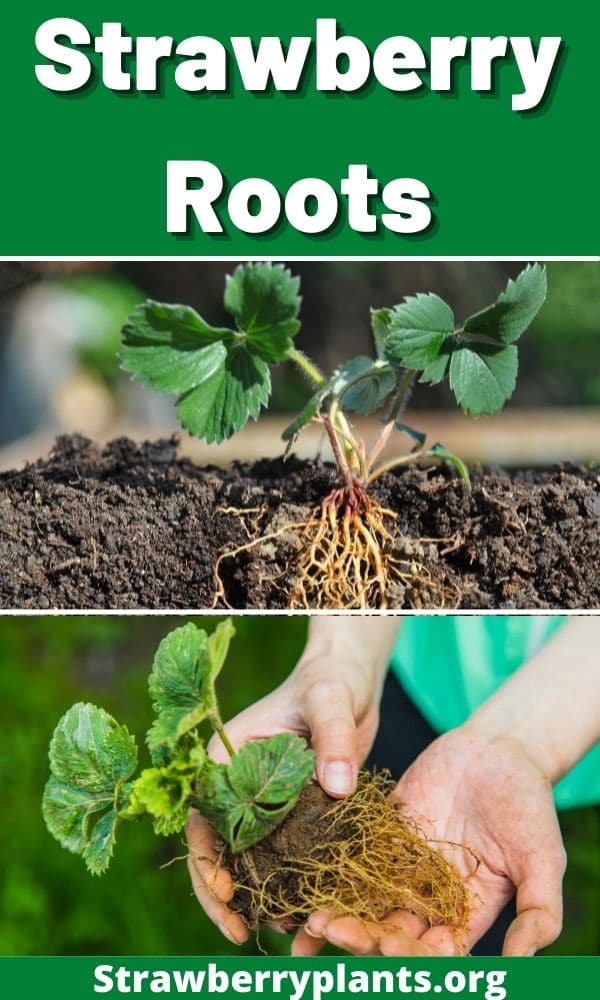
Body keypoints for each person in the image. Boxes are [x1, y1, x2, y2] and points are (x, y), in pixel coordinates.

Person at [185, 616, 600, 957]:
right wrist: (341, 657)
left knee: (474, 910)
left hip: (580, 715)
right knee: (395, 817)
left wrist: (525, 740)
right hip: (430, 668)